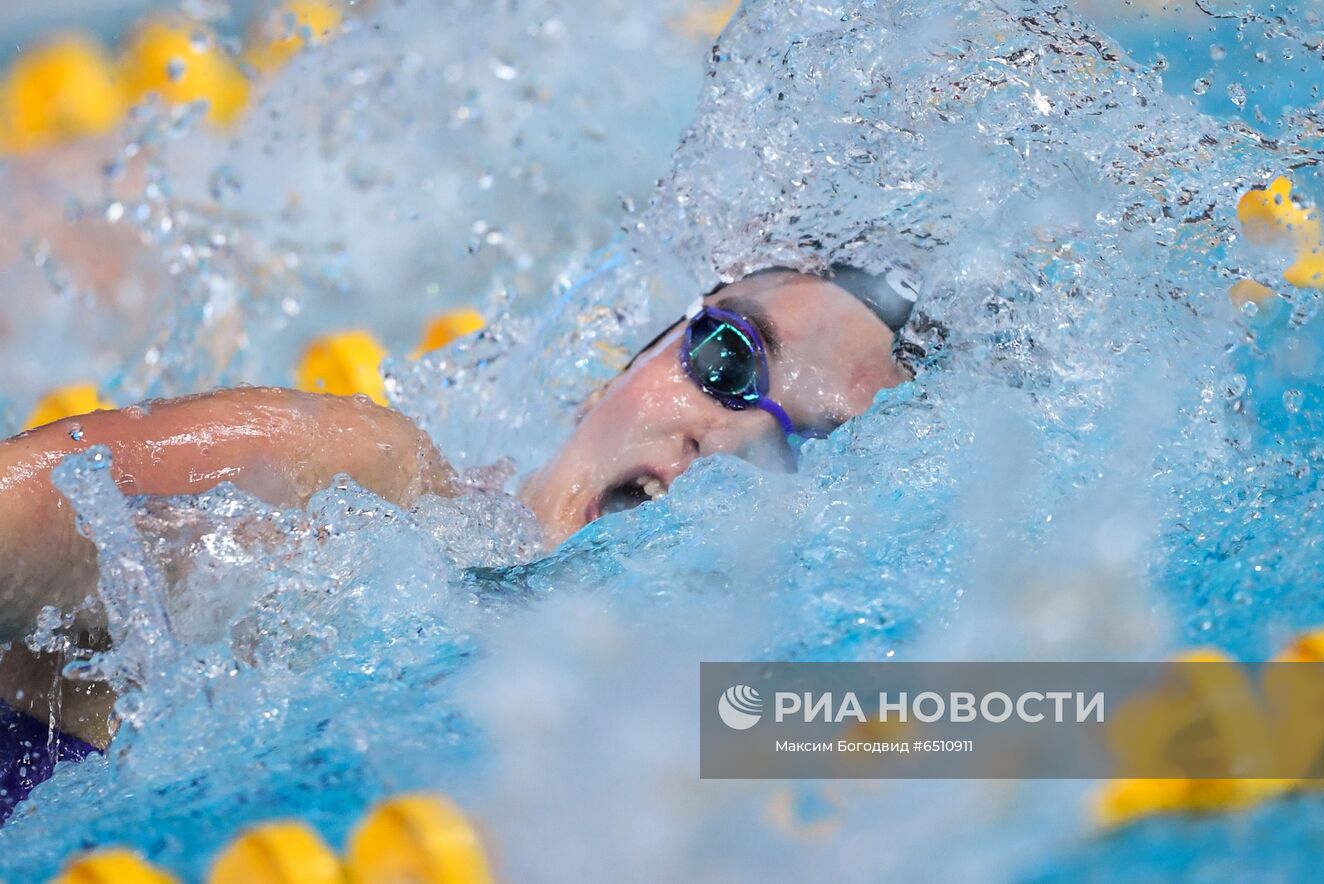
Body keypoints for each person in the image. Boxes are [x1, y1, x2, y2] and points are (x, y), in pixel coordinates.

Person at [0, 264, 916, 816]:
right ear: (617, 374)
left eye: (804, 451)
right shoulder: (366, 500)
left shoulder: (691, 756)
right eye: (728, 361)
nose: (728, 440)